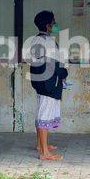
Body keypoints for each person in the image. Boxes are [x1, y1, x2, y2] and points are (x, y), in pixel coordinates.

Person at [29, 10, 67, 160]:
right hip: (49, 83)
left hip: (39, 81)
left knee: (41, 112)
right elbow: (54, 64)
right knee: (44, 115)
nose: (55, 25)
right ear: (48, 26)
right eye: (53, 22)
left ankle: (41, 145)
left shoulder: (36, 40)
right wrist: (64, 74)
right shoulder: (49, 41)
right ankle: (44, 152)